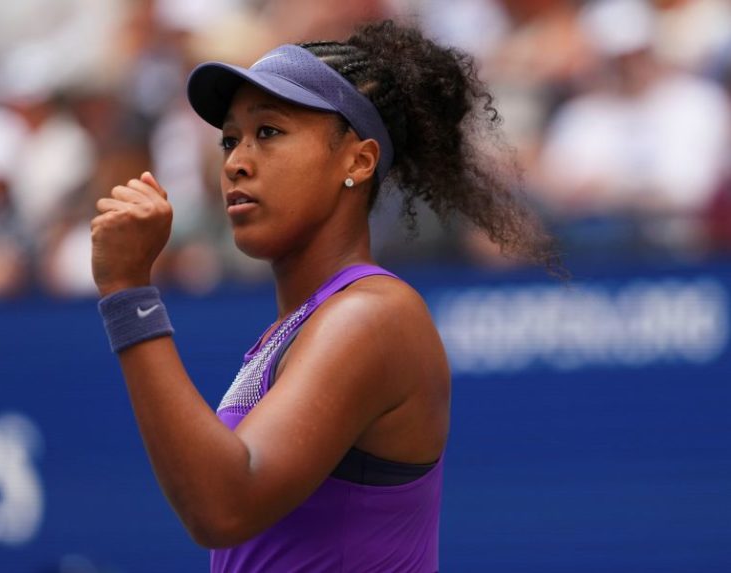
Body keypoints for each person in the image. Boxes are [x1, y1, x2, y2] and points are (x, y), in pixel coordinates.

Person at [91, 20, 557, 572]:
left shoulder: (372, 316)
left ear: (356, 161)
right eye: (229, 139)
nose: (237, 160)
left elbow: (224, 506)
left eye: (269, 132)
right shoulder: (295, 329)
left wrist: (129, 293)